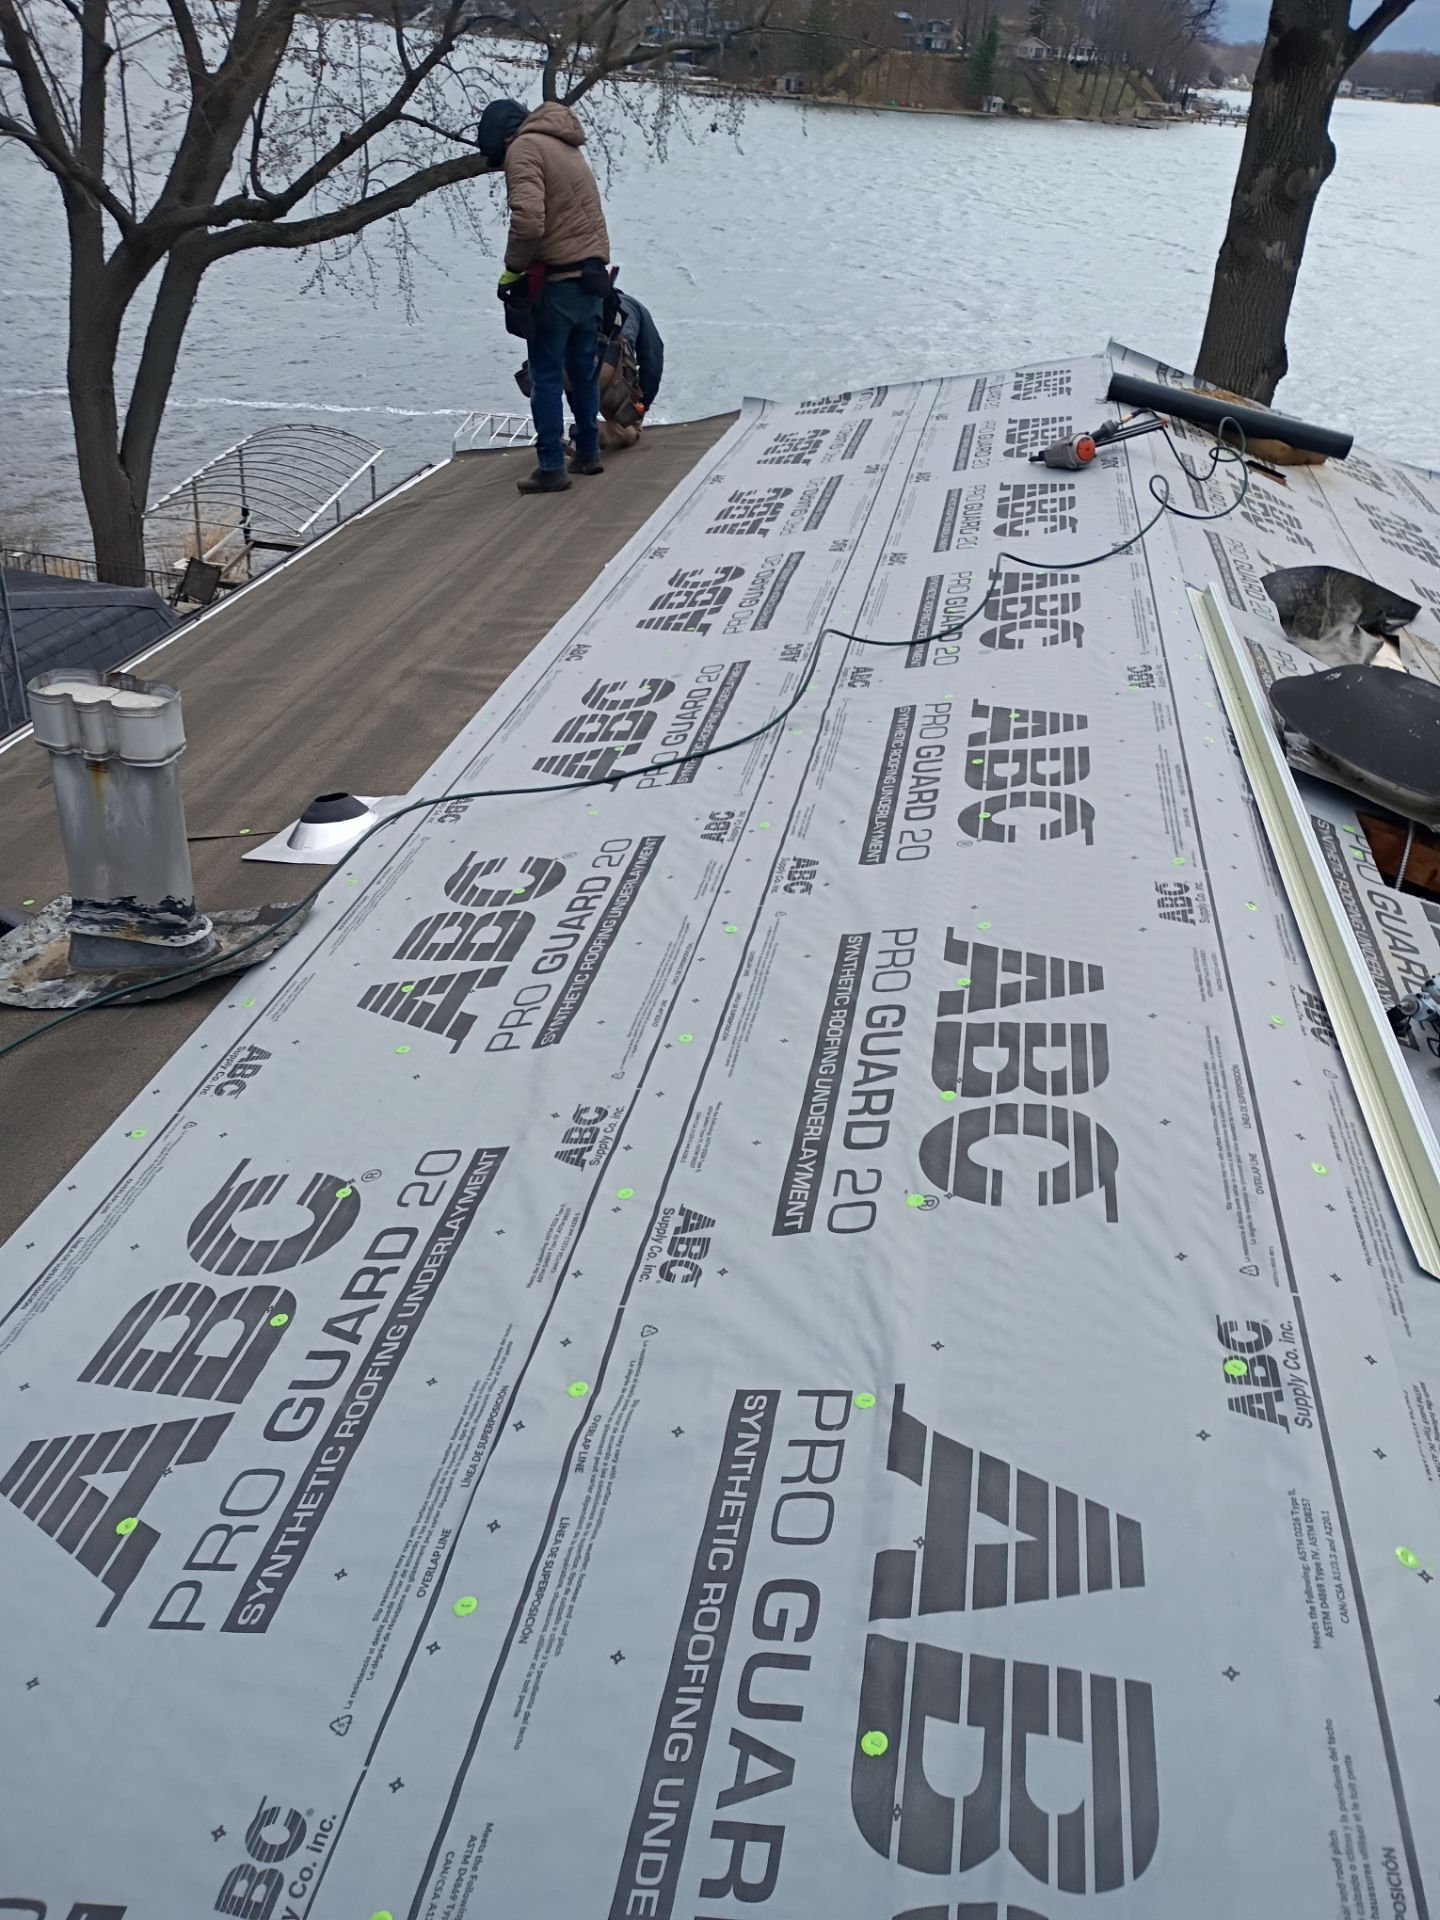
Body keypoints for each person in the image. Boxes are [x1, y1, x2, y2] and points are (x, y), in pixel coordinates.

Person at [477, 97, 610, 495]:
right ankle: (588, 451)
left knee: (547, 376)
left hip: (557, 282)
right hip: (591, 278)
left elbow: (529, 221)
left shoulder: (524, 148)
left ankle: (552, 465)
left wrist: (512, 269)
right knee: (583, 371)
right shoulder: (565, 146)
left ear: (502, 137)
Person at [514, 287, 665, 454]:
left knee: (561, 376)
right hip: (605, 369)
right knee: (629, 430)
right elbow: (652, 363)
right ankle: (590, 435)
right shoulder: (637, 308)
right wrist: (641, 405)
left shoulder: (567, 298)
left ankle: (553, 441)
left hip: (555, 365)